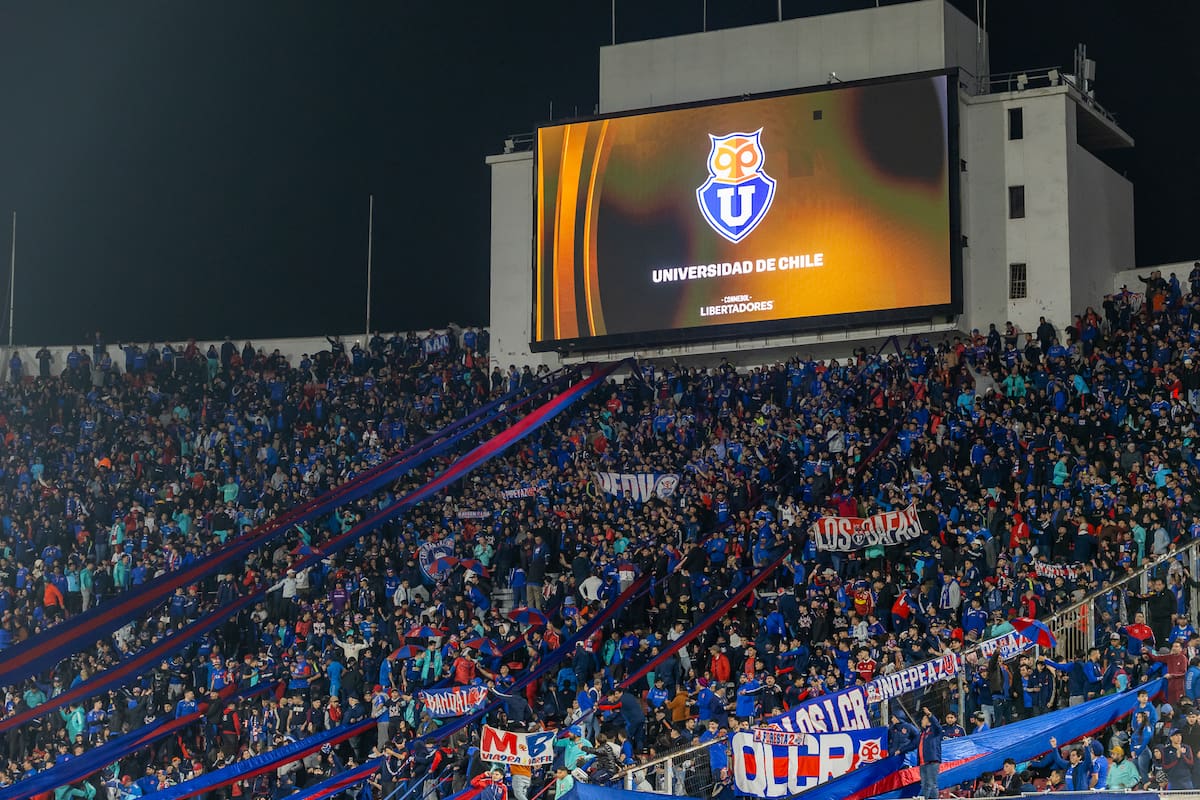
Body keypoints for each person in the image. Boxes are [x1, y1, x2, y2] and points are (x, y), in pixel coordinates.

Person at [917, 706, 943, 800]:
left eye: (923, 719)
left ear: (928, 720)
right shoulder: (922, 733)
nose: (921, 721)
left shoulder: (934, 730)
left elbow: (938, 726)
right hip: (923, 762)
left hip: (932, 761)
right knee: (924, 785)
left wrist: (929, 714)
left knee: (932, 784)